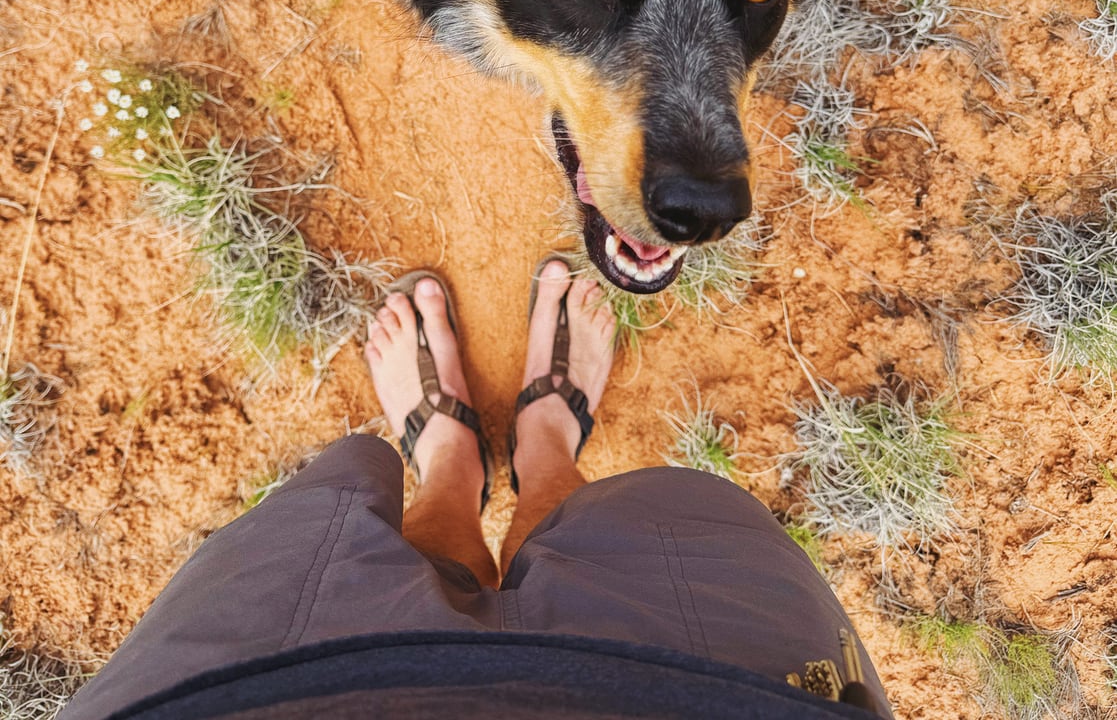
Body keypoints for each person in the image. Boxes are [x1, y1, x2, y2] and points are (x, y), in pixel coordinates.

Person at [61, 259, 893, 719]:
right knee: (627, 546)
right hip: (723, 693)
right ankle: (543, 446)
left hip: (241, 699)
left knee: (358, 554)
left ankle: (450, 462)